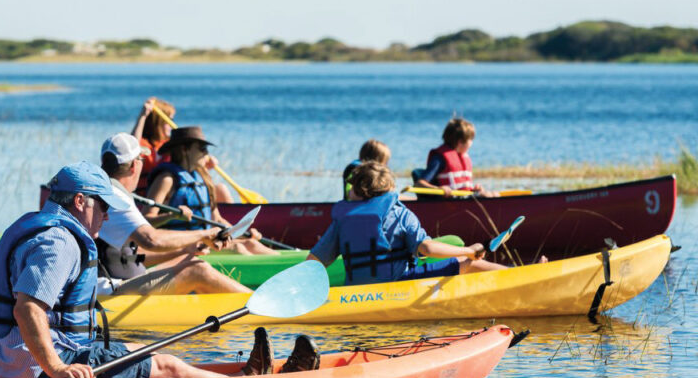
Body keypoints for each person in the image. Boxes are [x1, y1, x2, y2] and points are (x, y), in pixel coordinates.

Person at [0, 162, 319, 378]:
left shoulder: (37, 227)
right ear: (80, 201)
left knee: (139, 350)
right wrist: (57, 368)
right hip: (42, 370)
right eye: (103, 207)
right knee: (166, 366)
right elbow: (27, 308)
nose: (106, 215)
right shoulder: (58, 242)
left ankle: (244, 374)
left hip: (20, 360)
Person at [97, 133, 250, 295]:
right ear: (135, 165)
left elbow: (131, 256)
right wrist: (204, 234)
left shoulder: (107, 192)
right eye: (142, 160)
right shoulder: (114, 197)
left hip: (124, 279)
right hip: (112, 291)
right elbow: (152, 240)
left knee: (192, 260)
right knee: (198, 270)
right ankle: (265, 309)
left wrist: (185, 249)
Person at [309, 162, 506, 286]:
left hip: (356, 293)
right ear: (389, 188)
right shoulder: (400, 213)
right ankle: (525, 276)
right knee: (471, 264)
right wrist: (469, 250)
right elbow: (427, 248)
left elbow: (313, 263)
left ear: (359, 190)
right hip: (399, 286)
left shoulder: (342, 220)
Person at [145, 126, 275, 255]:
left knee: (251, 244)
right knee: (238, 249)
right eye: (202, 148)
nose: (206, 154)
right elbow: (145, 220)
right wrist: (172, 215)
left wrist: (240, 233)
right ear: (185, 149)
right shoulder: (166, 179)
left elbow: (217, 219)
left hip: (205, 242)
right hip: (178, 246)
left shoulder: (202, 178)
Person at [131, 97, 233, 201]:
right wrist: (142, 116)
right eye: (169, 120)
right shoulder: (142, 144)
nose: (171, 124)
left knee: (221, 189)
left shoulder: (173, 146)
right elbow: (132, 147)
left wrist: (206, 161)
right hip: (150, 197)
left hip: (175, 195)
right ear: (158, 122)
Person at [412, 117, 496, 197]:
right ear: (460, 142)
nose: (471, 143)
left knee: (492, 194)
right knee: (489, 195)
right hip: (450, 201)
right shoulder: (439, 159)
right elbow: (419, 184)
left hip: (463, 198)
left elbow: (464, 188)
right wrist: (439, 189)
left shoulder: (462, 157)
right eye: (470, 140)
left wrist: (474, 190)